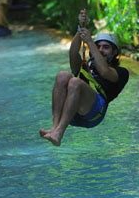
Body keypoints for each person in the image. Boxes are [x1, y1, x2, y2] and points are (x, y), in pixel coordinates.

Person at [40, 9, 129, 146]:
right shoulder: (86, 65)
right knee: (62, 75)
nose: (100, 50)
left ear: (115, 52)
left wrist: (90, 42)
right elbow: (73, 53)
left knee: (75, 82)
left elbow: (105, 71)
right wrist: (80, 29)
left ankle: (59, 133)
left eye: (106, 47)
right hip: (71, 113)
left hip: (94, 114)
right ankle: (55, 127)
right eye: (98, 46)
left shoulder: (121, 72)